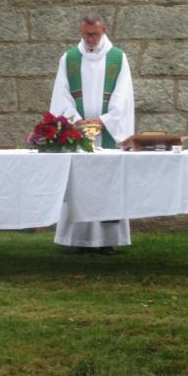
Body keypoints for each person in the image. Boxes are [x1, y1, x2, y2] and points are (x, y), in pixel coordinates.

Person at [49, 13, 135, 254]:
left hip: (107, 132)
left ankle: (107, 241)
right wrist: (76, 121)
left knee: (107, 184)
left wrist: (104, 121)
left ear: (103, 30)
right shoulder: (69, 58)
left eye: (94, 34)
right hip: (79, 133)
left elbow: (123, 95)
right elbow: (62, 94)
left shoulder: (118, 58)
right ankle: (78, 240)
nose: (89, 39)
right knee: (79, 185)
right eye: (86, 34)